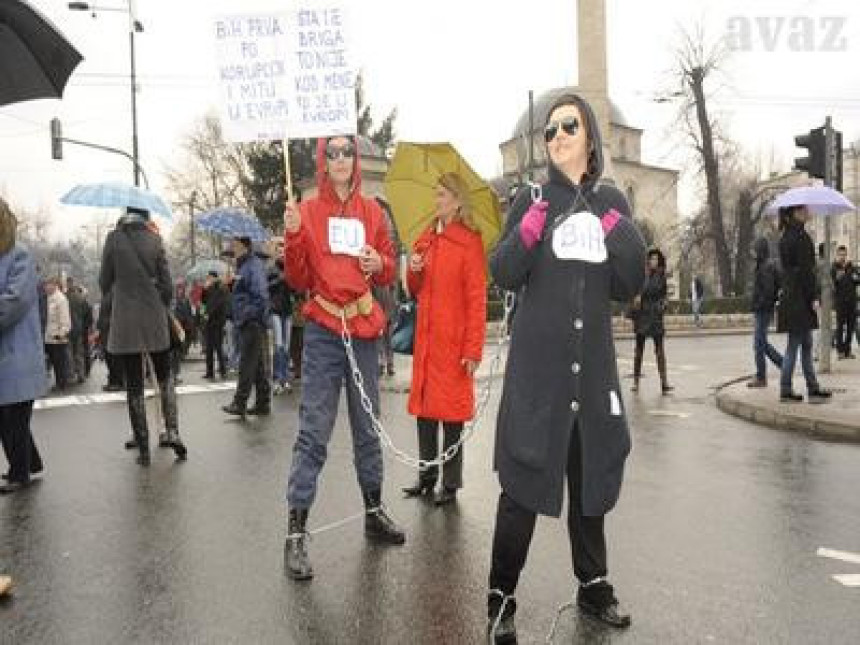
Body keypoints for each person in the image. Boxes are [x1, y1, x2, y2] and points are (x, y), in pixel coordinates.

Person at [486, 93, 646, 641]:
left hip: (593, 375)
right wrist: (526, 231)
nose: (555, 135)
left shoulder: (612, 201)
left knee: (590, 483)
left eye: (568, 126)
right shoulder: (532, 199)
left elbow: (630, 285)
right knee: (522, 490)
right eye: (550, 129)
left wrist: (615, 227)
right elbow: (504, 272)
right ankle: (501, 597)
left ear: (590, 137)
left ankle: (593, 584)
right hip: (539, 378)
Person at [282, 135, 405, 581]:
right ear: (322, 160)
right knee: (314, 433)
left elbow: (390, 264)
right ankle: (295, 532)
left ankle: (373, 511)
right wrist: (294, 234)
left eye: (346, 151)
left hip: (364, 331)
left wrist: (380, 264)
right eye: (330, 152)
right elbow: (297, 279)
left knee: (367, 428)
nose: (339, 159)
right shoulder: (308, 211)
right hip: (323, 333)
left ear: (355, 159)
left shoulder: (373, 212)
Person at [402, 171, 487, 506]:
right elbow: (414, 288)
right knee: (425, 411)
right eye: (435, 194)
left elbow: (476, 299)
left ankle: (450, 484)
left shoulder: (469, 241)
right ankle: (426, 477)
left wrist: (472, 349)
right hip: (427, 340)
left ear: (456, 200)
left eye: (440, 194)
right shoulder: (426, 239)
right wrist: (415, 267)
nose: (435, 200)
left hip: (453, 342)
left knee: (451, 414)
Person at [100, 207, 187, 464]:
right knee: (165, 377)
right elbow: (168, 286)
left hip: (126, 320)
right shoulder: (155, 239)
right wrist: (156, 300)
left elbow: (104, 280)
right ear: (145, 217)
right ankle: (172, 431)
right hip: (154, 318)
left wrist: (120, 293)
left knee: (135, 386)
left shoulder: (113, 239)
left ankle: (144, 447)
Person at [0, 198, 47, 495]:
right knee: (10, 413)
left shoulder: (20, 256)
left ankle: (20, 474)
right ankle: (30, 463)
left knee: (12, 414)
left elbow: (15, 301)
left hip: (18, 350)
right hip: (7, 352)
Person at [776, 206, 832, 404]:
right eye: (805, 210)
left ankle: (811, 387)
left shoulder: (787, 236)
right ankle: (787, 389)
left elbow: (795, 272)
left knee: (804, 344)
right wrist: (813, 296)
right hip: (800, 299)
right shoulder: (800, 238)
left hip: (792, 298)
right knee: (796, 345)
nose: (809, 212)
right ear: (795, 213)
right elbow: (806, 273)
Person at [221, 237, 271, 417]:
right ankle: (263, 403)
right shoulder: (243, 266)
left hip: (252, 321)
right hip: (247, 320)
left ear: (243, 245)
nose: (231, 247)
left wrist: (246, 315)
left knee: (246, 363)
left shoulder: (253, 265)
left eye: (234, 243)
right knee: (256, 364)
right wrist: (232, 285)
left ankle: (239, 402)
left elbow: (260, 295)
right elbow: (244, 292)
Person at [630, 248, 673, 394]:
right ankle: (635, 381)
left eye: (656, 259)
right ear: (648, 260)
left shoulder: (662, 276)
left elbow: (664, 295)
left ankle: (664, 382)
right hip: (642, 314)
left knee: (660, 350)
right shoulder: (643, 275)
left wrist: (664, 304)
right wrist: (636, 297)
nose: (654, 261)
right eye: (651, 258)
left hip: (655, 315)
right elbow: (635, 291)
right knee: (639, 350)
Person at [747, 237, 783, 387]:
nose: (752, 252)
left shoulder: (765, 267)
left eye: (755, 249)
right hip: (763, 309)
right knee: (761, 343)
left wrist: (758, 304)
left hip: (763, 310)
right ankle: (783, 363)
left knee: (758, 344)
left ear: (760, 250)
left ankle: (762, 377)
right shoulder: (763, 265)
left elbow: (768, 291)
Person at [268, 246, 294, 394]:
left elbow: (296, 291)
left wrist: (291, 281)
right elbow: (267, 287)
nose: (282, 253)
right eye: (279, 251)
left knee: (286, 347)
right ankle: (277, 380)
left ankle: (285, 380)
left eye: (284, 251)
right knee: (278, 346)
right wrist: (279, 279)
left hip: (287, 312)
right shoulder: (271, 270)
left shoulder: (290, 269)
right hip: (275, 311)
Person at [43, 276, 71, 391]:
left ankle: (61, 383)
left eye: (47, 285)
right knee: (52, 362)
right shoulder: (48, 298)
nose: (45, 287)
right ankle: (57, 382)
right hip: (48, 336)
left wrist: (62, 333)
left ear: (54, 285)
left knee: (59, 363)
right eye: (45, 285)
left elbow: (65, 319)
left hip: (57, 337)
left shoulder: (61, 299)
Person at [831, 244, 859, 359]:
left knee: (850, 327)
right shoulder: (834, 267)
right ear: (837, 255)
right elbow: (833, 282)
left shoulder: (851, 266)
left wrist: (855, 276)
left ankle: (847, 350)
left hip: (852, 301)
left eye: (844, 255)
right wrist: (839, 276)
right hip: (840, 302)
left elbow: (857, 279)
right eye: (840, 255)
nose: (843, 257)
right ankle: (840, 351)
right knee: (840, 327)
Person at [202, 271, 229, 380]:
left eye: (209, 277)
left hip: (217, 322)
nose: (208, 279)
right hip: (209, 322)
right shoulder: (209, 288)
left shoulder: (221, 288)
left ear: (214, 278)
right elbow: (204, 301)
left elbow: (218, 304)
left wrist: (209, 314)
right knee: (209, 349)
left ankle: (223, 371)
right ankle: (210, 372)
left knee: (218, 347)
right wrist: (204, 289)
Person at [66, 278, 93, 383]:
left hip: (68, 328)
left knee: (69, 353)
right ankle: (81, 375)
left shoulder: (65, 298)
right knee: (79, 353)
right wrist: (85, 326)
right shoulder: (81, 299)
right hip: (79, 328)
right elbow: (87, 315)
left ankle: (71, 374)